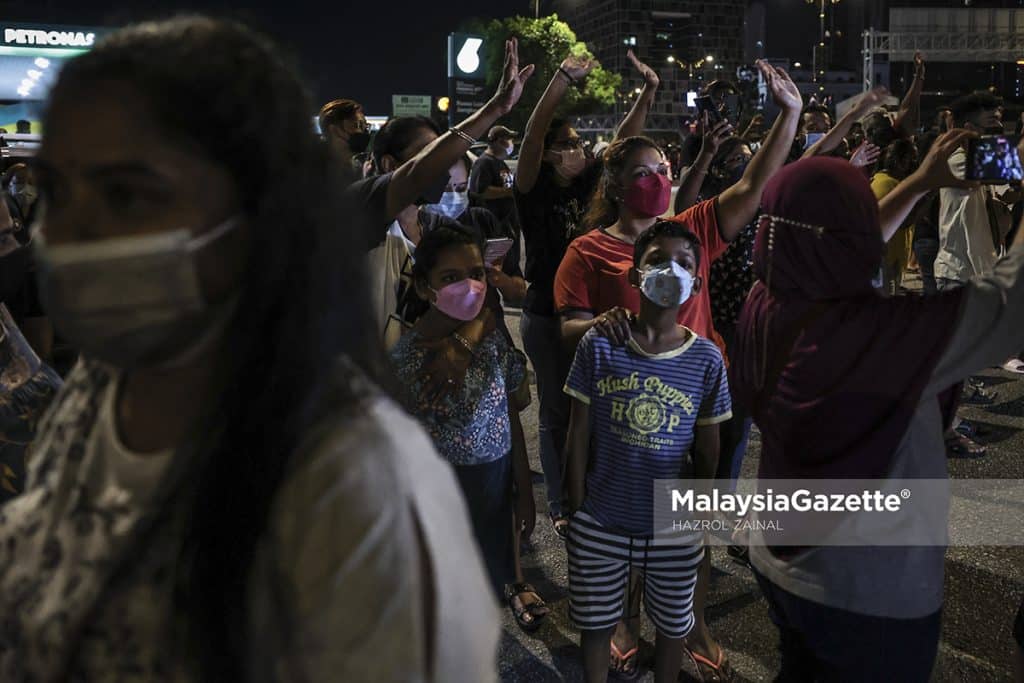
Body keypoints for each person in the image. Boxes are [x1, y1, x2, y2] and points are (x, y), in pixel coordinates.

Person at [0, 16, 499, 682]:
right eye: (63, 190)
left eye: (131, 192)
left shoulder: (353, 478)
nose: (77, 231)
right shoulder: (97, 391)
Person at [730, 131, 1024, 682]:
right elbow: (1012, 300)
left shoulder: (766, 297)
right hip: (865, 592)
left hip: (781, 558)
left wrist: (919, 183)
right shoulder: (879, 341)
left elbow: (839, 247)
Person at [555, 59, 805, 680]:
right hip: (620, 415)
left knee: (686, 526)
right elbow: (567, 326)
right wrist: (601, 325)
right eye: (643, 172)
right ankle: (621, 622)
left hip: (694, 402)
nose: (659, 179)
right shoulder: (586, 250)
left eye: (665, 169)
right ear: (614, 184)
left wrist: (790, 115)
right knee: (621, 521)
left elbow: (751, 188)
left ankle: (688, 621)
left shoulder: (688, 229)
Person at [563, 221, 731, 683]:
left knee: (674, 627)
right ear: (635, 275)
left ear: (697, 283)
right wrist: (577, 509)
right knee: (596, 626)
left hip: (671, 525)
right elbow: (577, 434)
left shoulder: (706, 359)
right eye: (657, 259)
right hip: (602, 517)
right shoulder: (600, 342)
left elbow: (708, 446)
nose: (669, 270)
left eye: (683, 263)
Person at [514, 47, 659, 539]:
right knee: (557, 412)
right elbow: (533, 134)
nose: (578, 149)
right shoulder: (533, 189)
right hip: (548, 317)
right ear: (551, 152)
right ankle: (561, 501)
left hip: (595, 314)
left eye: (579, 142)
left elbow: (622, 143)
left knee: (599, 411)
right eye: (569, 144)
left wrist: (650, 92)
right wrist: (561, 82)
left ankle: (597, 490)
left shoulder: (591, 183)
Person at [389, 225, 542, 629]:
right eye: (450, 278)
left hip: (493, 487)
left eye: (476, 273)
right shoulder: (404, 360)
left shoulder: (492, 343)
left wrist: (524, 491)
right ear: (424, 288)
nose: (469, 286)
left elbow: (512, 416)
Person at [348, 39, 533, 349]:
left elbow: (478, 306)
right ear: (390, 164)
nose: (446, 164)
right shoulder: (362, 209)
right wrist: (494, 109)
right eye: (431, 153)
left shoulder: (437, 228)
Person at [871, 138, 920, 294]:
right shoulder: (889, 184)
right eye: (912, 159)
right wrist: (927, 192)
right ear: (902, 160)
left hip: (891, 258)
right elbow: (906, 221)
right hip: (886, 259)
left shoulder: (884, 180)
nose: (914, 164)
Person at [469, 125, 518, 230]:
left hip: (506, 224)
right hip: (492, 225)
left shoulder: (500, 162)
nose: (511, 144)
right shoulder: (484, 162)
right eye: (509, 140)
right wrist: (509, 191)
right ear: (500, 142)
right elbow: (481, 191)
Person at [318, 98, 370, 178]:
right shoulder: (311, 170)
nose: (363, 131)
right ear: (334, 130)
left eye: (365, 126)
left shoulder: (363, 169)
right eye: (357, 125)